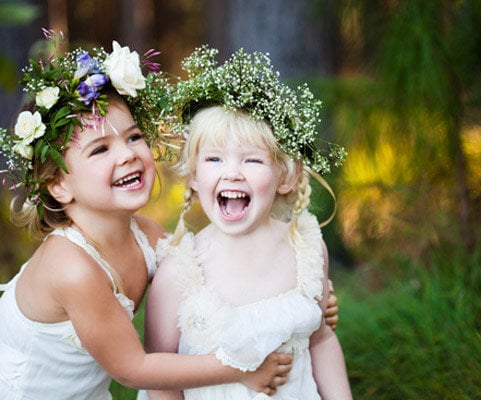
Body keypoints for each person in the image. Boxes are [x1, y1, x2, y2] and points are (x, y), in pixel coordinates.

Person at [0, 32, 294, 400]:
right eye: (100, 149)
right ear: (58, 186)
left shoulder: (147, 235)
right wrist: (241, 367)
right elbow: (134, 368)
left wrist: (295, 294)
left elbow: (212, 274)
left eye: (132, 138)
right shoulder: (73, 268)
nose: (127, 155)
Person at [140, 46, 352, 399]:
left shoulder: (306, 250)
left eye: (252, 160)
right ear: (193, 176)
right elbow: (160, 377)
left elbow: (321, 340)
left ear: (286, 177)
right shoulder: (180, 271)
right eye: (214, 159)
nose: (233, 173)